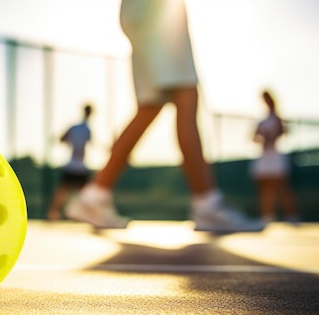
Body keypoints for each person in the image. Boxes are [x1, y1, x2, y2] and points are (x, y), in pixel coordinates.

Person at [65, 0, 264, 232]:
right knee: (186, 95)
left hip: (136, 11)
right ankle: (207, 205)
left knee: (150, 105)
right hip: (159, 9)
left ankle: (93, 197)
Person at [250, 90, 298, 223]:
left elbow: (283, 132)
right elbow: (253, 137)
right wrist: (262, 138)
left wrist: (272, 137)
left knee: (281, 186)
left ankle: (292, 216)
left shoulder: (277, 118)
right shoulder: (262, 121)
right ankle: (267, 216)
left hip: (275, 156)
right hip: (265, 156)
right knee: (266, 187)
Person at [47, 104, 94, 220]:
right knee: (68, 192)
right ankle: (54, 213)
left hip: (76, 166)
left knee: (69, 192)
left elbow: (61, 139)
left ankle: (54, 213)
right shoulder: (85, 129)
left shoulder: (75, 128)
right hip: (77, 166)